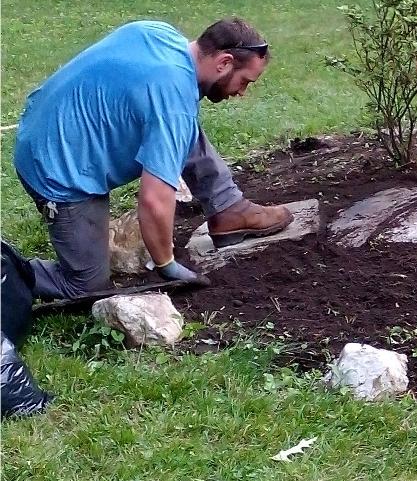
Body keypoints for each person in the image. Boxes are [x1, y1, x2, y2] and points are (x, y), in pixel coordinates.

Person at [14, 17, 293, 300]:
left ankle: (228, 209)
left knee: (178, 126)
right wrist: (166, 263)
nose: (242, 92)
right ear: (223, 62)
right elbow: (153, 200)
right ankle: (8, 272)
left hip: (47, 123)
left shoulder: (158, 34)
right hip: (55, 168)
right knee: (85, 286)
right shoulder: (172, 101)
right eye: (244, 81)